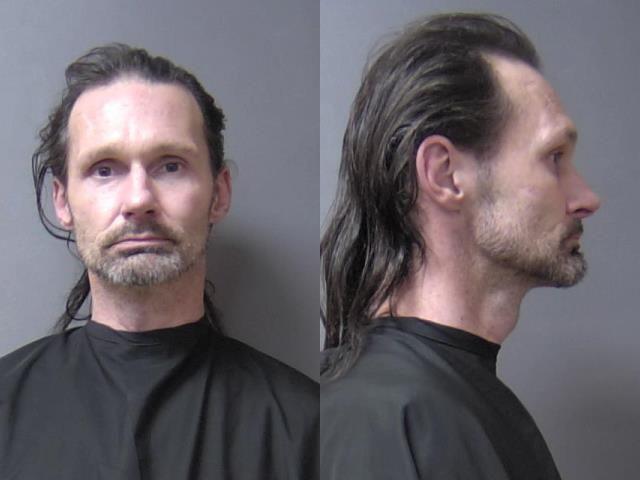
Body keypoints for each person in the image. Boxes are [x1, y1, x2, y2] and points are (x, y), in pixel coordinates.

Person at [0, 44, 317, 479]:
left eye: (170, 166)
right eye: (104, 169)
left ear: (219, 193)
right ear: (62, 200)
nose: (138, 199)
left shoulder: (308, 428)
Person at [320, 13, 600, 480]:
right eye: (554, 158)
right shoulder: (377, 421)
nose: (586, 198)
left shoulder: (455, 402)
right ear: (445, 174)